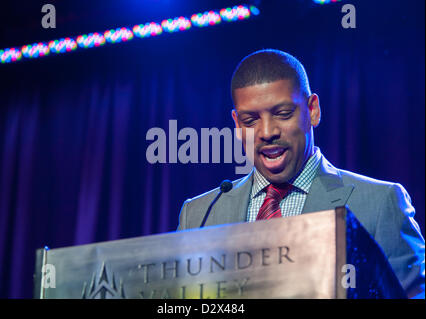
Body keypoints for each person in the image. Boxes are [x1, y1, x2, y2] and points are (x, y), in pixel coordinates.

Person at [177, 49, 425, 298]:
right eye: (250, 120)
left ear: (313, 110)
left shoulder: (380, 204)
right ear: (237, 124)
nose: (266, 132)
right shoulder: (198, 216)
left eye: (282, 114)